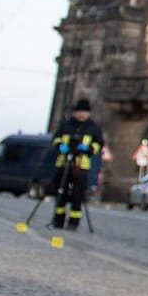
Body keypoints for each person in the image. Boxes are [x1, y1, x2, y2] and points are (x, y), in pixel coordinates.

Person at [48, 99, 105, 231]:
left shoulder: (93, 128)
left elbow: (99, 144)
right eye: (79, 112)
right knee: (60, 192)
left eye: (84, 112)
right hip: (64, 162)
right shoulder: (66, 125)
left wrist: (88, 149)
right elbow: (55, 139)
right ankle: (58, 220)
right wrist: (60, 146)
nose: (81, 115)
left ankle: (74, 222)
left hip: (81, 165)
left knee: (78, 195)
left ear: (88, 113)